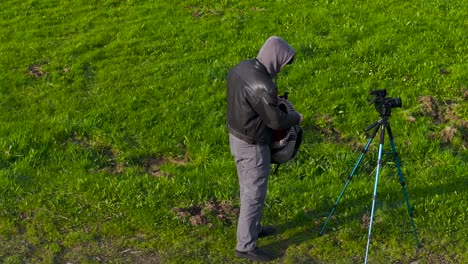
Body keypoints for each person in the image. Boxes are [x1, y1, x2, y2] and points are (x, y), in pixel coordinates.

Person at [226, 36, 304, 262]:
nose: (283, 67)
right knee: (254, 194)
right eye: (283, 62)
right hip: (253, 146)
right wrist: (296, 117)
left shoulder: (243, 67)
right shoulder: (264, 85)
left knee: (247, 188)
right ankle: (246, 246)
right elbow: (276, 121)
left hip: (237, 136)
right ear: (276, 59)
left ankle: (252, 228)